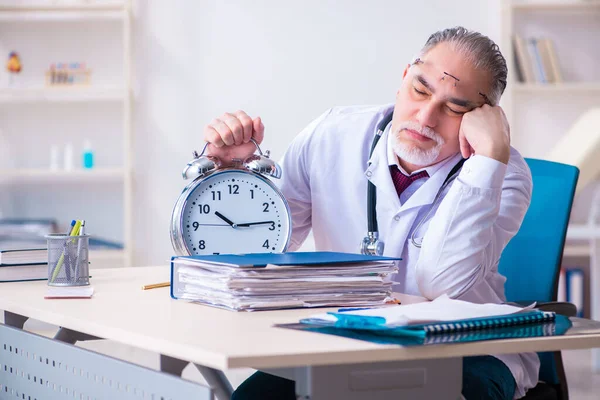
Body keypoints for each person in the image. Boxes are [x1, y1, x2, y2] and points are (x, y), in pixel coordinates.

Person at [202, 27, 537, 400]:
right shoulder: (332, 135)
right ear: (403, 77)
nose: (425, 117)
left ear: (483, 117)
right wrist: (230, 174)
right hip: (344, 339)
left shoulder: (503, 174)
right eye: (420, 90)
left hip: (466, 349)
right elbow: (263, 250)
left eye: (455, 107)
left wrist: (487, 160)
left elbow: (441, 282)